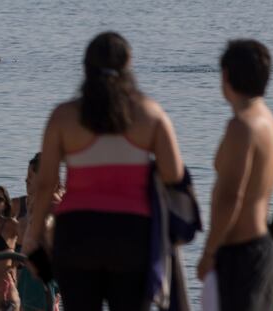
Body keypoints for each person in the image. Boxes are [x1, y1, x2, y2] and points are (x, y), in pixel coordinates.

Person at [22, 31, 184, 311]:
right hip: (132, 235)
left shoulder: (64, 116)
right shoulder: (150, 114)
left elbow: (47, 184)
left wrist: (33, 239)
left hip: (78, 235)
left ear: (85, 67)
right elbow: (174, 177)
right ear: (128, 66)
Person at [197, 39, 273, 311]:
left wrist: (209, 252)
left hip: (241, 252)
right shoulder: (270, 122)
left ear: (225, 76)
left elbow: (230, 196)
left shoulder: (242, 126)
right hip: (262, 249)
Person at [17, 153, 61, 311]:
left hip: (42, 284)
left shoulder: (53, 204)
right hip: (28, 283)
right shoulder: (34, 203)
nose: (26, 180)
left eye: (30, 176)